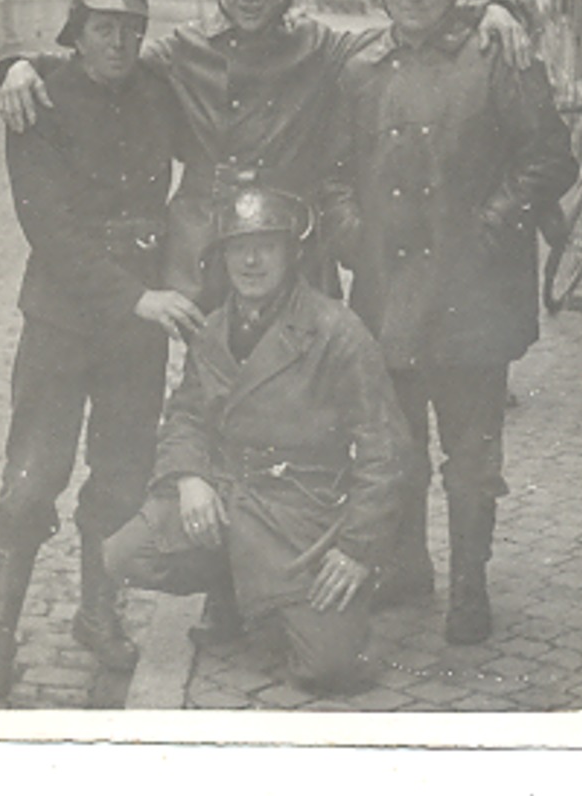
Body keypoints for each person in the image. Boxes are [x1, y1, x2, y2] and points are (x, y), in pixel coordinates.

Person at [0, 0, 532, 312]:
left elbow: (404, 29)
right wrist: (19, 63)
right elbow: (99, 60)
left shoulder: (319, 45)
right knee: (211, 375)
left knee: (302, 372)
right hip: (206, 241)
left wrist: (489, 8)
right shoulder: (184, 49)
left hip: (291, 235)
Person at [322, 0, 577, 644]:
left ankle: (470, 585)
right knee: (394, 448)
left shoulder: (495, 58)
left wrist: (495, 219)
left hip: (471, 294)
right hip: (388, 293)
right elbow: (333, 172)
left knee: (469, 459)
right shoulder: (360, 68)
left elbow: (548, 157)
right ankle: (405, 567)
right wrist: (349, 234)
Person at [0, 0, 205, 699]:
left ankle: (98, 614)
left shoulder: (158, 92)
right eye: (105, 27)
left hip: (136, 331)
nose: (120, 42)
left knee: (123, 478)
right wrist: (13, 65)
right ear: (78, 30)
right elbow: (51, 229)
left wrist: (174, 270)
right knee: (31, 481)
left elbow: (211, 147)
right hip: (64, 321)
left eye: (133, 29)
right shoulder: (40, 98)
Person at [103, 185, 412, 693]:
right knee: (126, 553)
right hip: (227, 498)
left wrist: (357, 549)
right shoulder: (214, 328)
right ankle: (235, 589)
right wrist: (189, 477)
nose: (250, 261)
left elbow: (387, 450)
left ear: (292, 253)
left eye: (266, 245)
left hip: (299, 518)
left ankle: (277, 602)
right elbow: (185, 414)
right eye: (237, 247)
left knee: (329, 668)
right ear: (220, 257)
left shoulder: (336, 330)